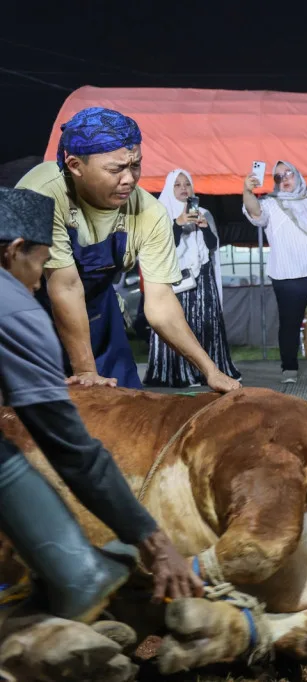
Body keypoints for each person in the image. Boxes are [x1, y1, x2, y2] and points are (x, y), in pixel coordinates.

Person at [0, 187, 202, 622]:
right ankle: (78, 574)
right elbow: (70, 447)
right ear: (14, 251)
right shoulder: (15, 309)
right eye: (41, 261)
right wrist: (151, 538)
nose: (42, 277)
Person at [15, 107, 240, 393]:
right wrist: (86, 372)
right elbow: (65, 285)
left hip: (97, 312)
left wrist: (210, 370)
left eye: (135, 165)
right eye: (115, 169)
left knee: (125, 409)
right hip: (28, 313)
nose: (130, 179)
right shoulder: (44, 192)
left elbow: (160, 305)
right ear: (74, 165)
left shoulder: (149, 214)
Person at [242, 160, 307, 384]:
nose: (285, 179)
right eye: (278, 177)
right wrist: (247, 191)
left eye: (288, 173)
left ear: (298, 174)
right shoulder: (271, 203)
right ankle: (289, 368)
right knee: (290, 323)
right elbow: (255, 213)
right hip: (288, 275)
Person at [144, 169, 240, 388]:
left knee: (206, 324)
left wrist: (205, 228)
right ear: (169, 188)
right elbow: (162, 248)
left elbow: (212, 247)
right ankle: (180, 373)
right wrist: (177, 224)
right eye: (177, 185)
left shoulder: (204, 212)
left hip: (203, 277)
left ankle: (210, 371)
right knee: (179, 325)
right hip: (174, 279)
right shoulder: (160, 213)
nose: (183, 188)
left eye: (186, 184)